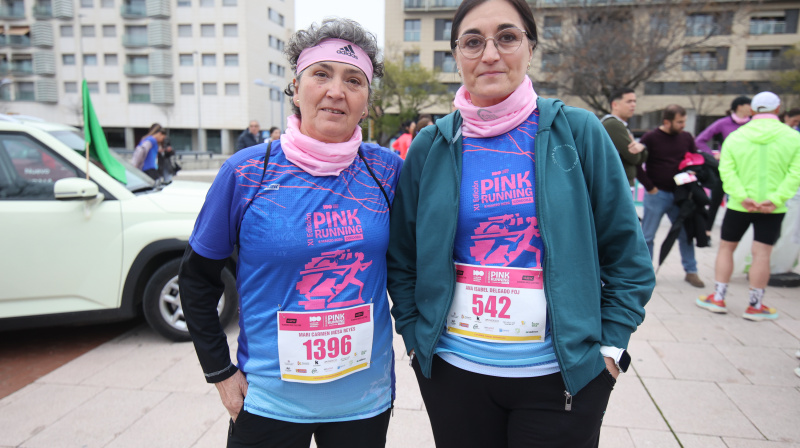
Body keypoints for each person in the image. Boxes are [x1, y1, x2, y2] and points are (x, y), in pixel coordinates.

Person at [386, 0, 655, 446]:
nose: (490, 53)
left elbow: (627, 255)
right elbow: (403, 257)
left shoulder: (579, 132)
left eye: (507, 37)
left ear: (530, 48)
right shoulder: (431, 144)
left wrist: (609, 348)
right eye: (473, 41)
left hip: (561, 378)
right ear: (456, 55)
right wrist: (415, 338)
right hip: (455, 374)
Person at [179, 18, 402, 448]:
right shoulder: (247, 172)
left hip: (364, 403)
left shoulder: (387, 171)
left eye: (354, 80)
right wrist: (220, 373)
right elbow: (196, 280)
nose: (336, 91)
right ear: (296, 89)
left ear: (367, 101)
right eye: (321, 74)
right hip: (269, 406)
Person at [697, 92, 800, 321]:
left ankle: (718, 297)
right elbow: (796, 173)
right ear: (778, 108)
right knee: (762, 254)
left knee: (726, 248)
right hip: (773, 207)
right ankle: (755, 305)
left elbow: (727, 170)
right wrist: (775, 198)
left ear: (752, 110)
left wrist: (741, 196)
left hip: (739, 204)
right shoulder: (793, 137)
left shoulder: (736, 136)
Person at [637, 105, 706, 288]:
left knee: (685, 234)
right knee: (648, 236)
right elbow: (636, 164)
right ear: (667, 122)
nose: (683, 125)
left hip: (680, 196)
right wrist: (650, 187)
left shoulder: (686, 137)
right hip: (657, 194)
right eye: (680, 122)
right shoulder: (650, 138)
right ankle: (646, 273)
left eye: (684, 121)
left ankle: (691, 271)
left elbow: (694, 159)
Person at [695, 96, 751, 236]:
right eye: (749, 105)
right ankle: (706, 232)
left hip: (746, 170)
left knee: (740, 201)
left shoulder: (753, 125)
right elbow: (700, 141)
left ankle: (739, 234)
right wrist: (713, 156)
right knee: (715, 202)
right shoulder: (723, 123)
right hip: (724, 169)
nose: (751, 108)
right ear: (739, 107)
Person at [601, 87, 647, 187]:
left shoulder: (621, 125)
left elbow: (639, 158)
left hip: (621, 184)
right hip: (617, 184)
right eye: (629, 101)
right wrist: (642, 149)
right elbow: (634, 157)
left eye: (634, 101)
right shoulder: (613, 124)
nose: (633, 105)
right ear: (615, 104)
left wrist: (641, 148)